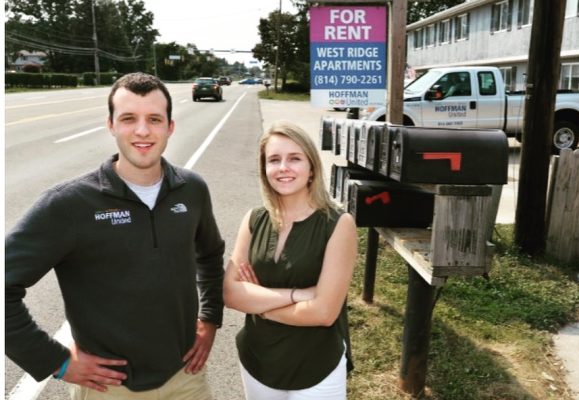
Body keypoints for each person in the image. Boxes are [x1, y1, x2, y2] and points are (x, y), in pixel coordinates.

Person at [5, 72, 225, 400]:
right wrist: (56, 361)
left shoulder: (192, 189)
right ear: (110, 125)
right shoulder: (68, 204)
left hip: (186, 379)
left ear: (170, 126)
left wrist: (210, 318)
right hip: (109, 389)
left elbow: (209, 255)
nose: (142, 130)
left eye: (154, 118)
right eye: (128, 119)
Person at [223, 120, 358, 399]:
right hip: (257, 359)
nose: (283, 167)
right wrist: (299, 295)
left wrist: (259, 305)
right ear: (265, 170)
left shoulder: (338, 224)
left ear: (311, 168)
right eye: (274, 160)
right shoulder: (254, 218)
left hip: (316, 365)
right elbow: (231, 293)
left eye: (294, 158)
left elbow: (323, 313)